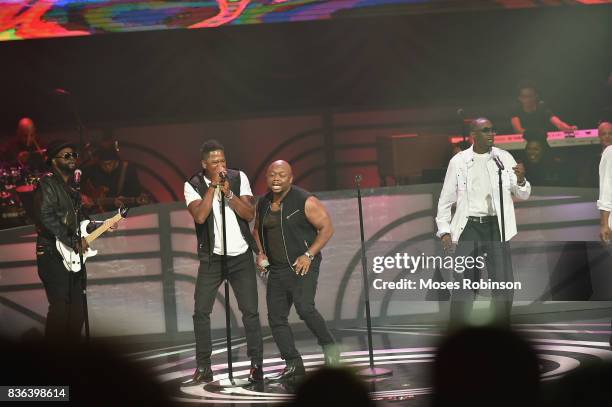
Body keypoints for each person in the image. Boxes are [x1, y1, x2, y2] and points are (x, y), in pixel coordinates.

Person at [436, 118, 531, 328]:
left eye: (492, 130)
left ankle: (500, 332)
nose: (491, 134)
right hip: (469, 228)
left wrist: (522, 180)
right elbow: (445, 200)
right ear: (473, 134)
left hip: (497, 227)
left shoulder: (503, 158)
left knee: (504, 285)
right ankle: (459, 336)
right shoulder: (459, 161)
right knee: (465, 287)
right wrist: (444, 231)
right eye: (485, 130)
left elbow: (522, 194)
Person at [182, 139, 263, 385]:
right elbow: (200, 215)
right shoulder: (192, 185)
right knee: (201, 312)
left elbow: (249, 214)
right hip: (212, 258)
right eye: (215, 162)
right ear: (204, 164)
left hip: (240, 256)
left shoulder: (239, 178)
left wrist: (228, 192)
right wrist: (212, 189)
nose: (221, 166)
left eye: (223, 161)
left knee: (250, 311)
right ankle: (204, 367)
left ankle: (256, 364)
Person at [253, 160, 339, 381]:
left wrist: (309, 254)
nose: (276, 179)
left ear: (291, 178)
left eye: (281, 175)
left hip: (302, 264)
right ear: (267, 178)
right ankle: (293, 363)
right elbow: (256, 230)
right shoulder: (263, 203)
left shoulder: (305, 200)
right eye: (272, 175)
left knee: (305, 308)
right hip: (278, 269)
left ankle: (331, 350)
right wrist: (261, 253)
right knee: (276, 317)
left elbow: (326, 228)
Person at [33, 140, 89, 342]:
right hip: (51, 253)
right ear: (53, 161)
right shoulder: (47, 183)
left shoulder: (71, 190)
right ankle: (51, 362)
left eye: (73, 154)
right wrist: (73, 240)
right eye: (66, 155)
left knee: (77, 311)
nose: (72, 158)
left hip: (71, 254)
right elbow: (45, 216)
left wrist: (103, 224)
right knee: (60, 309)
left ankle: (69, 358)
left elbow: (80, 220)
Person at [82, 147, 149, 212]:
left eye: (109, 163)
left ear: (116, 161)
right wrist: (83, 197)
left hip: (124, 212)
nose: (107, 167)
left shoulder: (128, 169)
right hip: (99, 213)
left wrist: (125, 199)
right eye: (103, 164)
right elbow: (76, 183)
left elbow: (136, 192)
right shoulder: (93, 169)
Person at [511, 81, 576, 142]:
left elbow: (558, 123)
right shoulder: (516, 110)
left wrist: (568, 128)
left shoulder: (542, 108)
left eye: (531, 96)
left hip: (542, 143)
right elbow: (518, 130)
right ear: (519, 98)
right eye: (525, 97)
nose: (528, 99)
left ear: (536, 96)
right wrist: (537, 134)